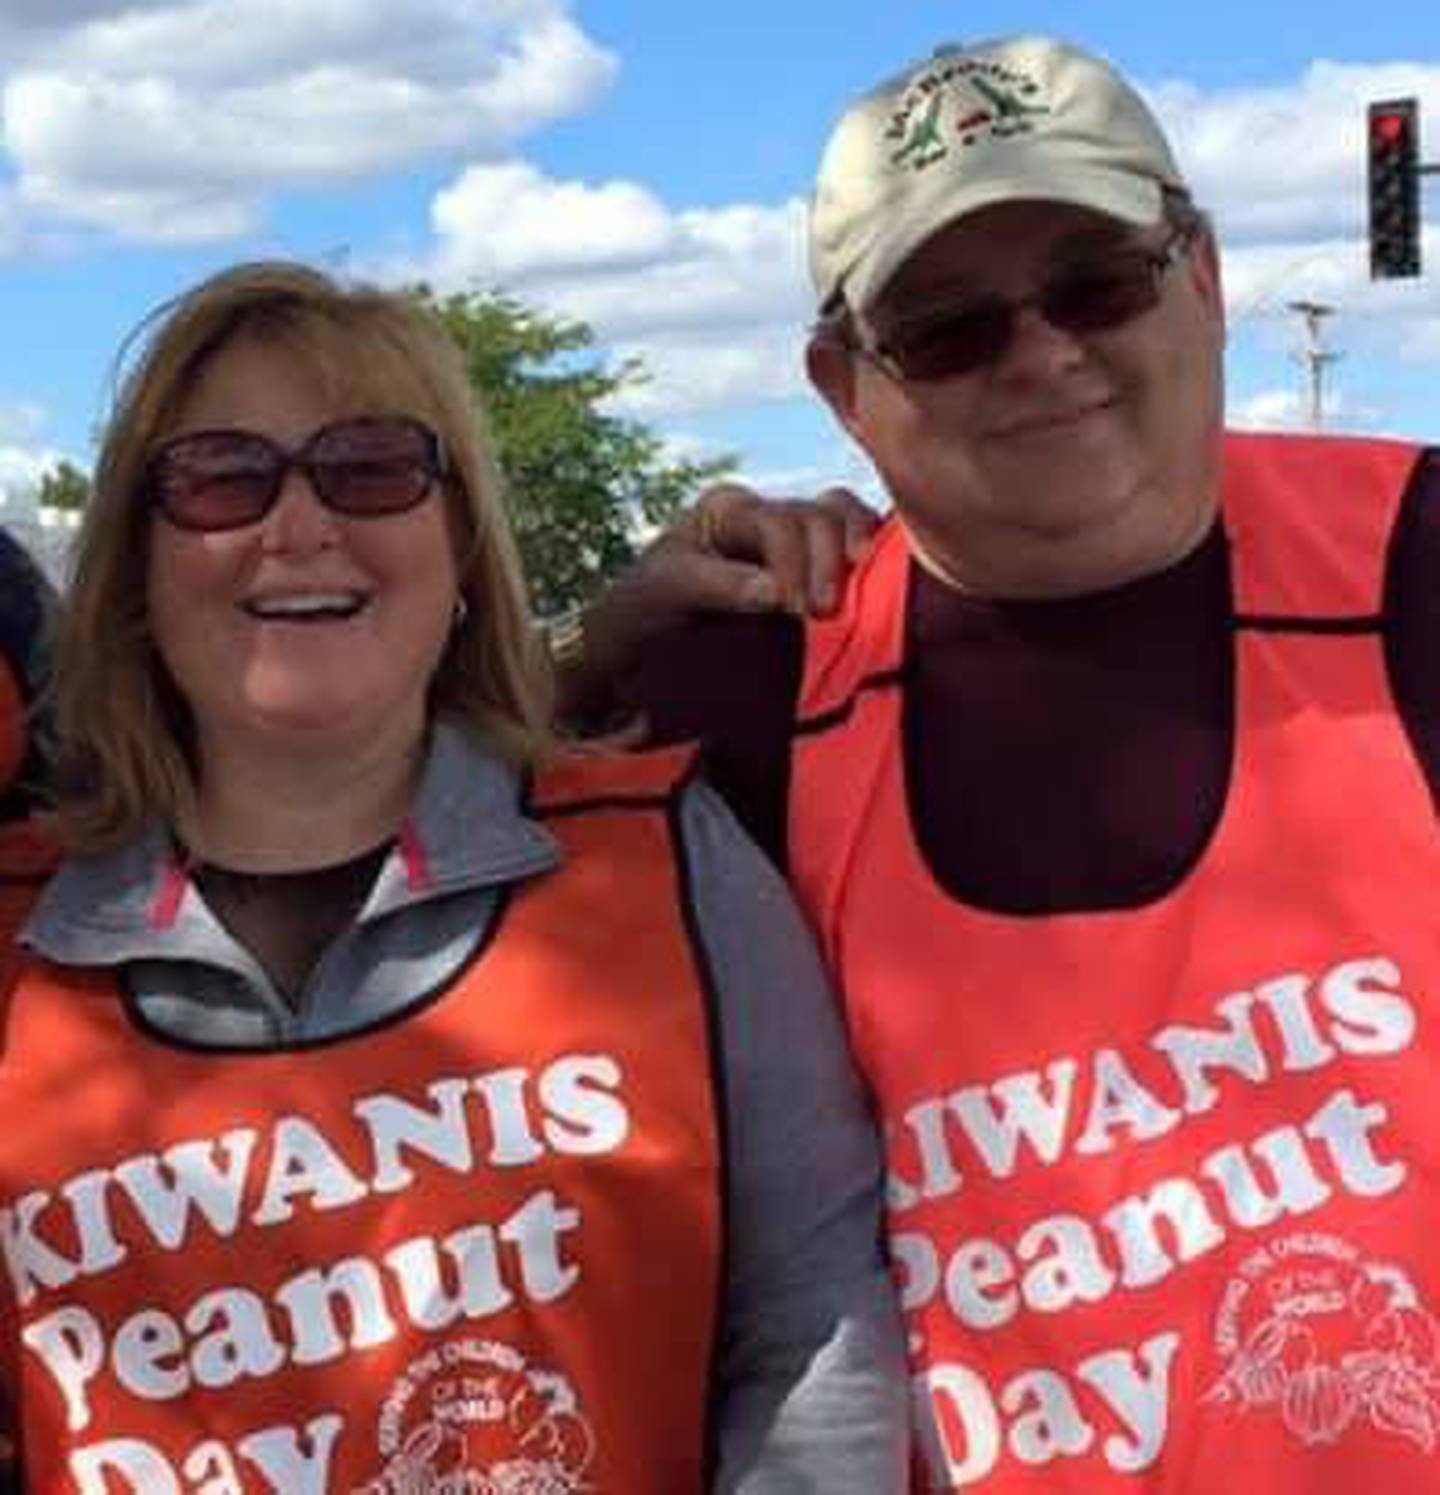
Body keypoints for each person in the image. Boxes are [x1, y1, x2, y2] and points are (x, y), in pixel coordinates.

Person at [577, 34, 1440, 1491]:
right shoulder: (751, 681)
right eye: (949, 328)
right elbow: (384, 830)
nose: (1043, 352)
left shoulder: (1414, 567)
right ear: (844, 387)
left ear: (1208, 279)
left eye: (1099, 282)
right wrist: (594, 645)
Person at [0, 262, 907, 1492]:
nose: (299, 525)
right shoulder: (20, 945)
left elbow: (810, 1325)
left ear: (464, 544)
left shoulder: (666, 860)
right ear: (137, 573)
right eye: (222, 478)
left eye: (371, 467)